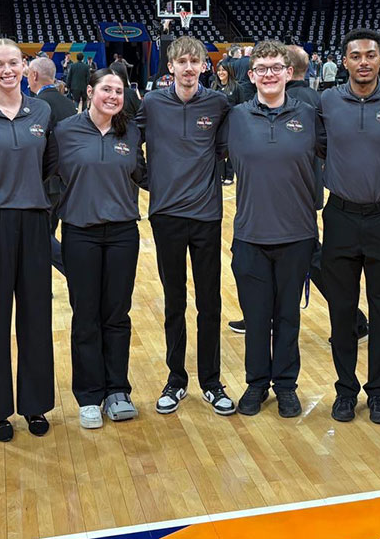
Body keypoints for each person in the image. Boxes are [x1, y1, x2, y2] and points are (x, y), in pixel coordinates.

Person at [137, 36, 237, 417]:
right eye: (182, 61)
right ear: (171, 66)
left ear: (203, 66)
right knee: (175, 300)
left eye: (196, 61)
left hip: (207, 216)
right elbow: (131, 141)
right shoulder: (152, 104)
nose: (189, 67)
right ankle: (176, 379)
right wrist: (147, 179)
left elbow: (226, 149)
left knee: (209, 301)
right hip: (166, 217)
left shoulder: (218, 103)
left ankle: (211, 381)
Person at [222, 41, 323, 418]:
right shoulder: (234, 118)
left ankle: (285, 385)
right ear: (251, 75)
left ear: (288, 73)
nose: (268, 74)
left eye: (275, 68)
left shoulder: (309, 116)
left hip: (297, 234)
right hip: (250, 234)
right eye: (261, 68)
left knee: (287, 316)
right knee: (256, 316)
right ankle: (256, 384)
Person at [0, 41, 58, 441]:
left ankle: (35, 403)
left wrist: (45, 212)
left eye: (13, 63)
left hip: (35, 223)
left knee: (36, 316)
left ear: (25, 67)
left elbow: (53, 168)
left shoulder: (43, 111)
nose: (7, 70)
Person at [320, 30, 380, 425]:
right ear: (344, 61)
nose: (362, 62)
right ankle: (345, 389)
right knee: (341, 310)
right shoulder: (327, 101)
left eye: (369, 55)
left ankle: (379, 392)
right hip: (339, 215)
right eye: (355, 55)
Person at [52, 69, 147, 429]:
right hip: (81, 233)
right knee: (86, 315)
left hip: (123, 232)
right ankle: (90, 395)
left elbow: (142, 172)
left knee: (117, 315)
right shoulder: (65, 131)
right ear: (90, 91)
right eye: (106, 89)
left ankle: (117, 390)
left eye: (119, 91)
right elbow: (46, 173)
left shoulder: (130, 132)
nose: (112, 96)